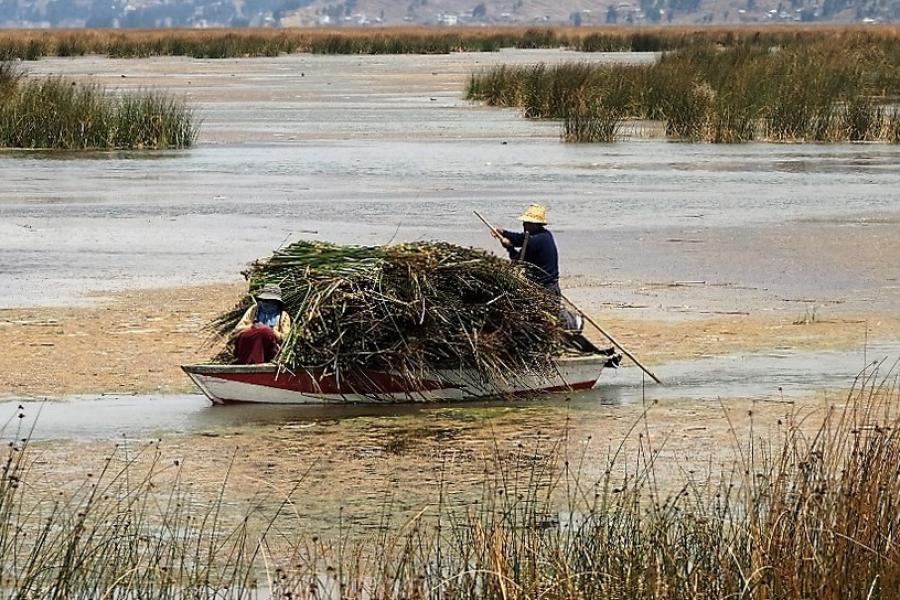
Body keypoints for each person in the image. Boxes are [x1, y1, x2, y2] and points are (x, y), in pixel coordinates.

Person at [493, 203, 560, 294]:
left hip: (544, 288)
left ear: (535, 224)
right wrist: (503, 232)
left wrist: (509, 248)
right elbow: (520, 239)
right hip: (552, 285)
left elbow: (519, 261)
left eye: (527, 222)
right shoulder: (545, 233)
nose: (524, 225)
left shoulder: (535, 241)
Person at [232, 284, 292, 364]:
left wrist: (272, 332)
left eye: (271, 301)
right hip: (248, 348)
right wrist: (253, 327)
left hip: (269, 351)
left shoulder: (282, 315)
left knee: (265, 331)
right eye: (265, 300)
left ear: (276, 302)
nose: (267, 303)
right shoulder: (254, 310)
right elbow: (237, 330)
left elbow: (286, 338)